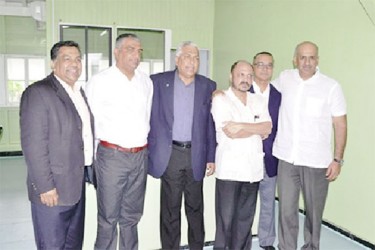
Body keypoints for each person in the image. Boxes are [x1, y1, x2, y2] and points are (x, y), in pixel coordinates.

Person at [272, 41, 347, 250]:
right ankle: (286, 247)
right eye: (302, 57)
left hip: (317, 161)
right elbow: (263, 93)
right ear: (295, 59)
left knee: (314, 212)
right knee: (286, 210)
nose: (307, 62)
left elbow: (340, 124)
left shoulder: (331, 86)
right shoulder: (285, 78)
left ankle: (312, 247)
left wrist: (338, 159)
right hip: (287, 158)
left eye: (311, 57)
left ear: (317, 60)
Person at [20, 40, 94, 249]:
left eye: (78, 59)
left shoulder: (78, 92)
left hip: (76, 185)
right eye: (67, 58)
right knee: (52, 245)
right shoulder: (38, 93)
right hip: (52, 191)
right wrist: (45, 187)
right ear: (53, 63)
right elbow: (33, 146)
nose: (75, 63)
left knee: (73, 244)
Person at [85, 33, 153, 250]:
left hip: (140, 156)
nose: (136, 54)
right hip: (112, 156)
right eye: (130, 49)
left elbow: (147, 116)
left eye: (139, 50)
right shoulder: (100, 81)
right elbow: (89, 122)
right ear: (116, 52)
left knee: (132, 216)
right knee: (108, 216)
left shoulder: (146, 82)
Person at [147, 41, 217, 249]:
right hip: (170, 154)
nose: (192, 61)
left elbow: (210, 125)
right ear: (177, 59)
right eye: (187, 56)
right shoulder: (157, 82)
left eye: (196, 58)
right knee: (170, 209)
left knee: (195, 209)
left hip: (196, 154)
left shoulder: (208, 86)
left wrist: (211, 156)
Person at [211, 60, 272, 249]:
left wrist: (242, 125)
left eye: (249, 75)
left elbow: (268, 126)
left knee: (245, 221)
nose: (245, 79)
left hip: (252, 170)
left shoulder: (258, 100)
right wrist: (256, 128)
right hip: (229, 169)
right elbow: (231, 133)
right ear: (231, 76)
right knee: (226, 221)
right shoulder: (221, 99)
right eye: (241, 74)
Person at [252, 52, 281, 250]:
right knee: (244, 204)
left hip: (270, 157)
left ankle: (266, 241)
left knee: (268, 202)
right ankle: (240, 240)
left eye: (269, 65)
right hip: (246, 157)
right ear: (253, 67)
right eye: (260, 64)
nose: (264, 68)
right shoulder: (243, 91)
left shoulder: (278, 96)